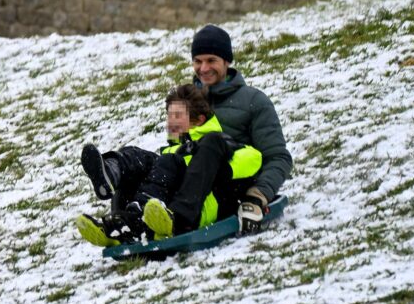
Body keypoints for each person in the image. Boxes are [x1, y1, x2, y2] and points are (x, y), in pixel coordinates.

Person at [142, 24, 293, 238]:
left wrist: (257, 196)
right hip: (184, 179)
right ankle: (126, 221)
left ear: (226, 61)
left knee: (212, 143)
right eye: (198, 61)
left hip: (227, 187)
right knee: (139, 160)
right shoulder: (186, 101)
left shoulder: (253, 101)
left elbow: (279, 157)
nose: (203, 68)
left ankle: (180, 217)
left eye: (211, 60)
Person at [74, 83, 225, 247]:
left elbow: (251, 162)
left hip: (190, 206)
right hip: (163, 198)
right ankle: (112, 174)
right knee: (137, 160)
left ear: (199, 120)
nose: (169, 122)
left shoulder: (215, 145)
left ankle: (133, 220)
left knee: (167, 161)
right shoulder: (174, 151)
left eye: (177, 116)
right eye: (169, 116)